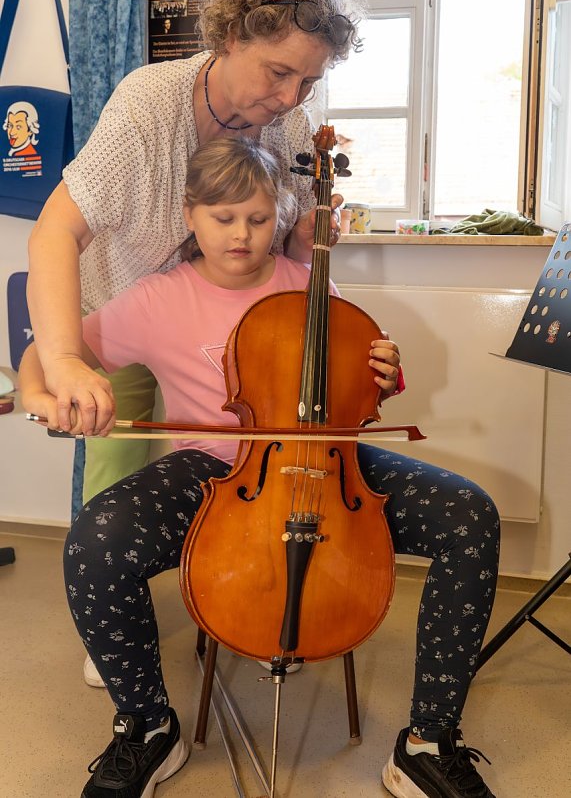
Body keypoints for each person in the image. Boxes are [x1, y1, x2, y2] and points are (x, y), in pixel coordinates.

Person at [20, 137, 500, 798]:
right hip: (212, 472)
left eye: (256, 218)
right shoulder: (156, 300)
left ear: (276, 214)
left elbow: (356, 388)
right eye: (223, 219)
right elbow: (47, 354)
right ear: (191, 214)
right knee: (96, 541)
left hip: (329, 459)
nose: (242, 235)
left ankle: (426, 741)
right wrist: (49, 393)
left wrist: (382, 376)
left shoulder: (310, 283)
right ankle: (147, 727)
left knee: (468, 515)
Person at [26, 0, 357, 518]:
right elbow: (57, 229)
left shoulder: (294, 126)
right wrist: (61, 360)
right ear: (231, 37)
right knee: (113, 487)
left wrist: (307, 239)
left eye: (309, 81)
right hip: (125, 302)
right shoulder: (148, 103)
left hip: (225, 330)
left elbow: (286, 260)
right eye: (279, 72)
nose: (289, 99)